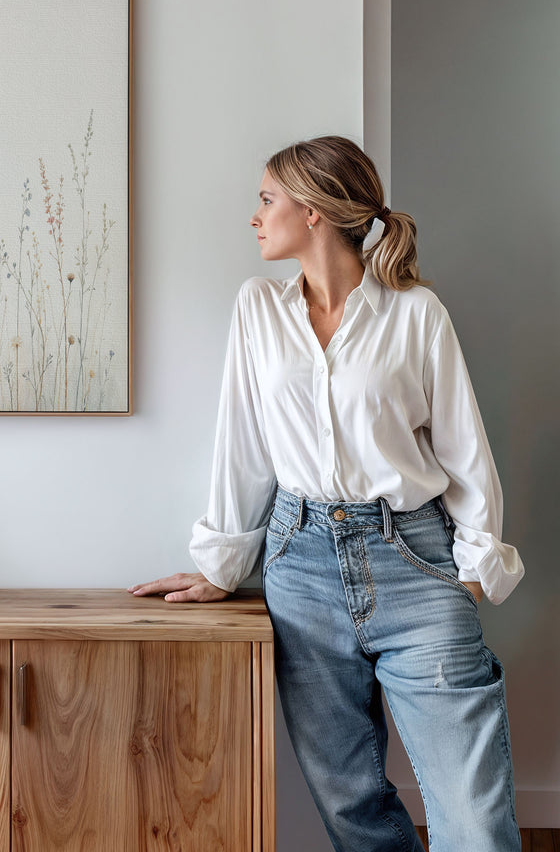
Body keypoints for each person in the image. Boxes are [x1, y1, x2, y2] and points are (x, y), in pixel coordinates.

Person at [130, 136, 524, 852]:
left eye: (266, 199)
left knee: (473, 817)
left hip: (415, 558)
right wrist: (223, 565)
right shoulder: (258, 310)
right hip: (299, 563)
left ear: (313, 212)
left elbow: (465, 451)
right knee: (351, 807)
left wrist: (471, 569)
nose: (255, 216)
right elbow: (241, 445)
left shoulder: (416, 314)